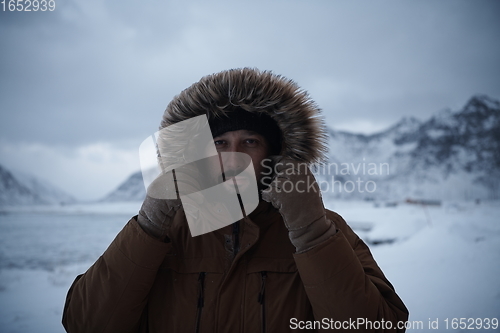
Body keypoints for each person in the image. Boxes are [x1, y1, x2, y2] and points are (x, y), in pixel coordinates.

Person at [62, 68, 408, 332]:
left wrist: (311, 232)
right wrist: (149, 225)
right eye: (219, 143)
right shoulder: (165, 233)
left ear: (274, 154)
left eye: (250, 142)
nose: (233, 158)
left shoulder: (321, 229)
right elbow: (86, 323)